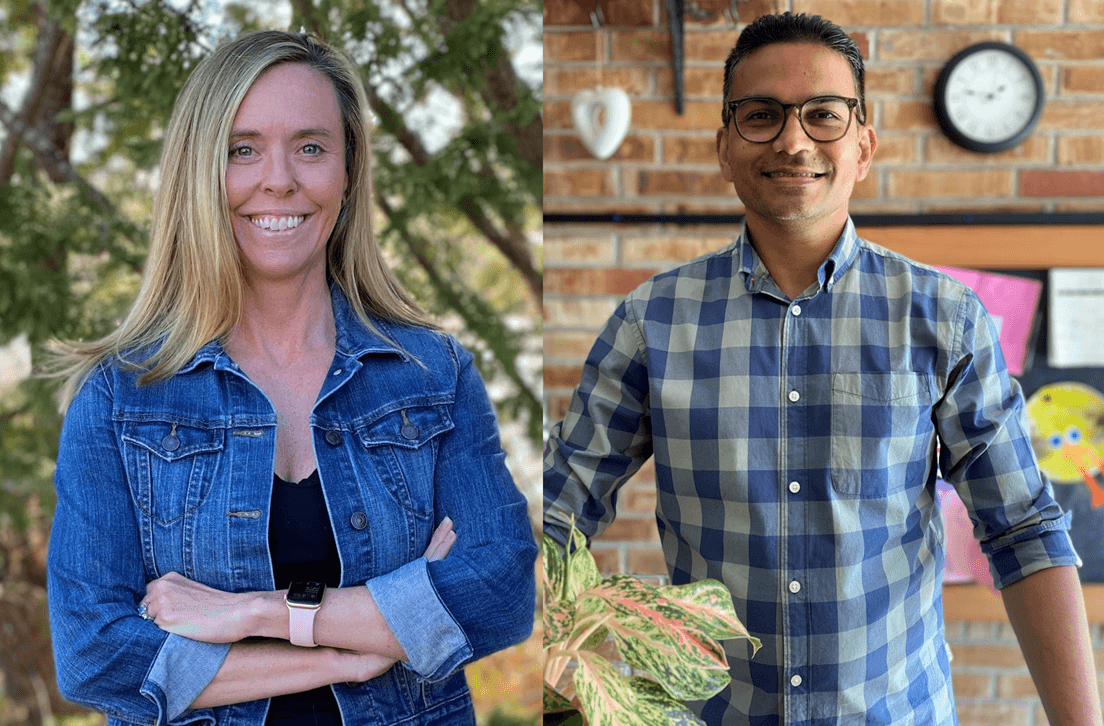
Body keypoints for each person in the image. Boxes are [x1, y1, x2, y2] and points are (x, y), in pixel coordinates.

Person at [544, 12, 1101, 726]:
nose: (793, 139)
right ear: (724, 146)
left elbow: (1023, 529)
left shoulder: (946, 318)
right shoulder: (650, 322)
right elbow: (557, 514)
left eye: (823, 115)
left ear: (864, 145)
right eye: (761, 115)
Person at [47, 30, 536, 726]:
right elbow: (95, 656)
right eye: (242, 150)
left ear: (348, 171)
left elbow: (501, 590)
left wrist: (258, 613)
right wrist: (356, 650)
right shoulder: (120, 396)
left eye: (310, 147)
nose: (279, 179)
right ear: (198, 172)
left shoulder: (432, 376)